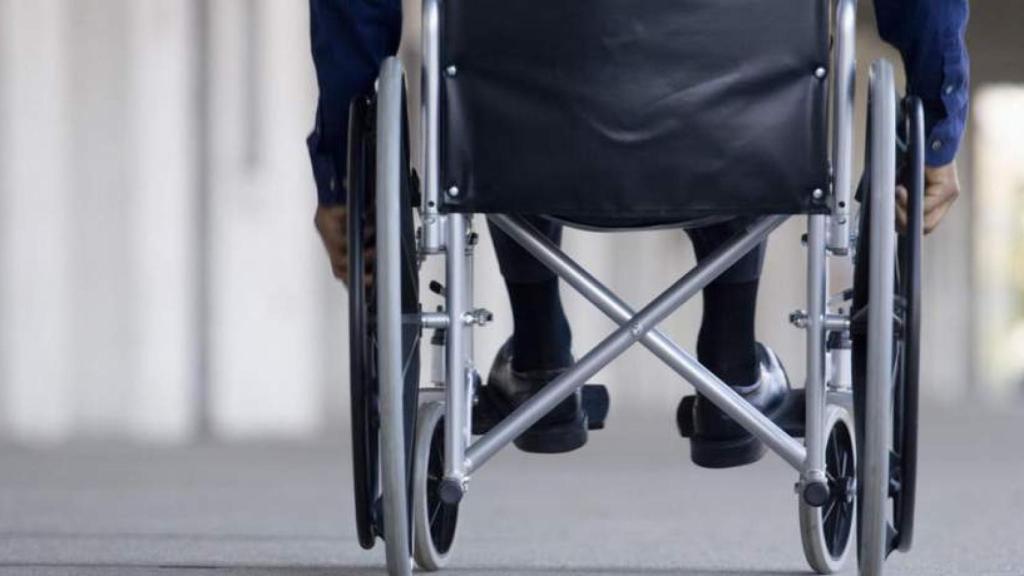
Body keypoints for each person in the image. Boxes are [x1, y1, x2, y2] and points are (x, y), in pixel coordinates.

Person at [308, 0, 969, 466]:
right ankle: (731, 360)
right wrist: (935, 131)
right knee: (734, 62)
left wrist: (345, 173)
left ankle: (539, 349)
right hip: (741, 118)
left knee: (508, 62)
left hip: (519, 120)